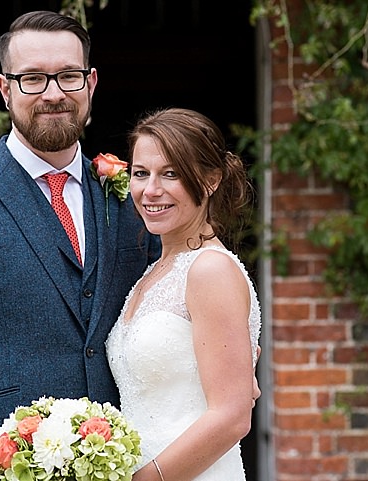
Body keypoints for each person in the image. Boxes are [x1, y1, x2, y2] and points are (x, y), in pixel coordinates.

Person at [0, 11, 161, 481]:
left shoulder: (131, 196)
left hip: (130, 460)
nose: (54, 93)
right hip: (1, 465)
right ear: (5, 88)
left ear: (91, 82)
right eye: (33, 78)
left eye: (68, 76)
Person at [106, 107, 262, 481]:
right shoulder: (153, 274)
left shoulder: (210, 270)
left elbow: (231, 417)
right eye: (141, 173)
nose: (151, 190)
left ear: (210, 180)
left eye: (171, 174)